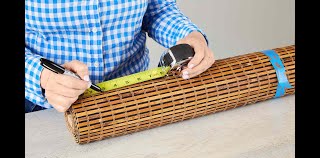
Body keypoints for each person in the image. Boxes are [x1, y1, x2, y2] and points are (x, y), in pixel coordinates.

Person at [25, 0, 215, 113]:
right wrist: (43, 77)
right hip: (44, 110)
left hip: (134, 100)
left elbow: (157, 9)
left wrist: (189, 35)